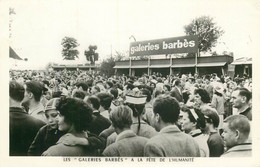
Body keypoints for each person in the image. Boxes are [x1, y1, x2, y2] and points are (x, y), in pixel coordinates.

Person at [29, 97, 104, 156]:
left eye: (55, 115)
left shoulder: (74, 130)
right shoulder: (45, 130)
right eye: (47, 116)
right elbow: (32, 152)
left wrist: (78, 140)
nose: (50, 120)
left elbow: (100, 141)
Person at [9, 81, 45, 156]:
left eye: (23, 91)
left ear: (30, 95)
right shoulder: (29, 111)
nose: (20, 93)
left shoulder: (40, 116)